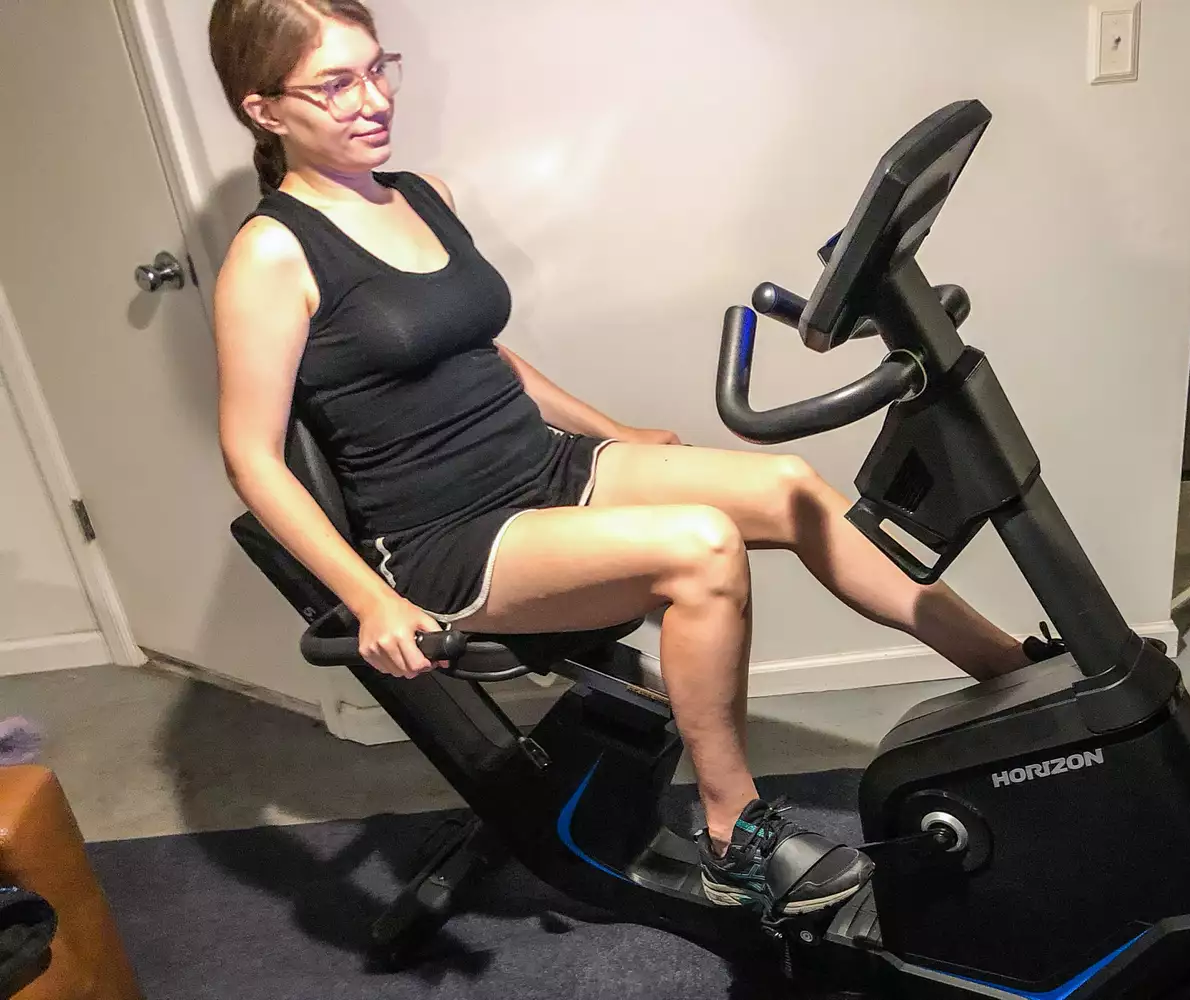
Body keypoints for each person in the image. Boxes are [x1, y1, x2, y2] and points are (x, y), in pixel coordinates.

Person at [208, 0, 1059, 919]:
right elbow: (252, 457)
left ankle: (1010, 673)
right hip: (450, 540)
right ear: (265, 109)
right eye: (335, 84)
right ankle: (738, 832)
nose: (371, 99)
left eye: (379, 69)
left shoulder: (421, 195)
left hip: (545, 467)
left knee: (788, 488)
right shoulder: (271, 254)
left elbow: (483, 354)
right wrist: (374, 600)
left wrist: (613, 432)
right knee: (700, 548)